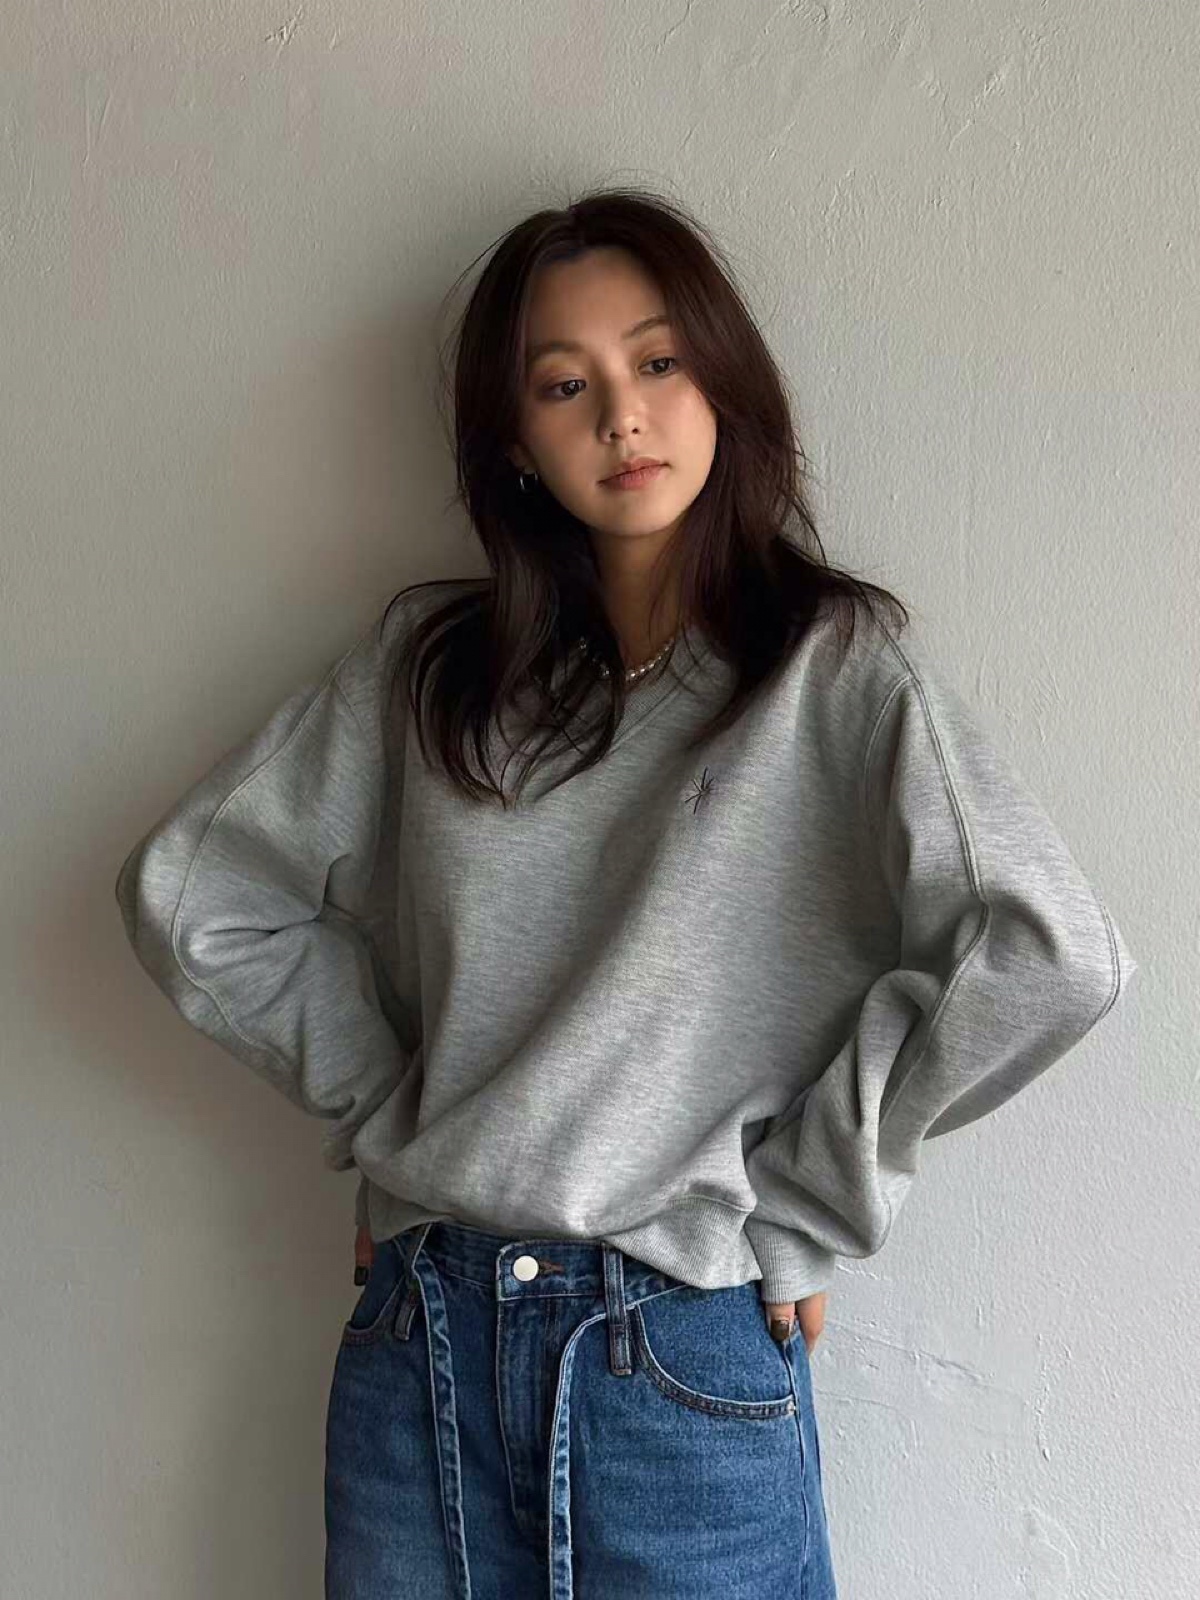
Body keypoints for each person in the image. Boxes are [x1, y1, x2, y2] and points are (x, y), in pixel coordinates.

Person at [114, 186, 1138, 1599]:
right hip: (422, 1347)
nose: (622, 416)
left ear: (723, 382)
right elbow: (196, 897)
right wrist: (392, 1110)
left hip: (676, 1353)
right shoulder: (432, 672)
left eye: (658, 361)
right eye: (564, 384)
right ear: (514, 441)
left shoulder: (828, 672)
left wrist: (808, 1206)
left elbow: (1047, 952)